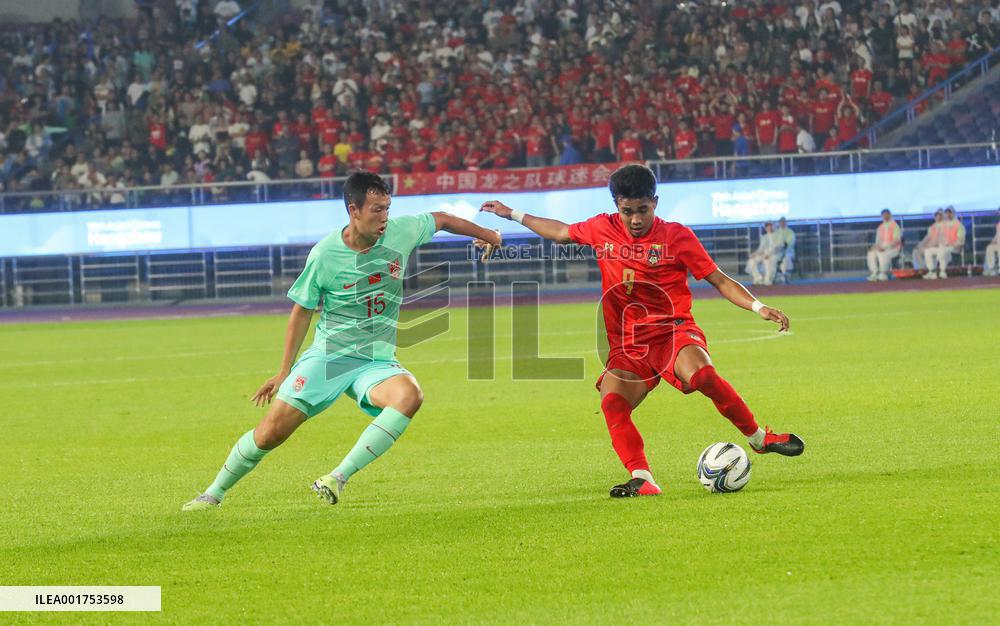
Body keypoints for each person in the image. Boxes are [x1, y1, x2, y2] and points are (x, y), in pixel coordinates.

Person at [479, 164, 804, 498]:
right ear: (617, 206)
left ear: (656, 202)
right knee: (613, 403)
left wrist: (758, 307)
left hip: (672, 332)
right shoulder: (601, 228)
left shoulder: (677, 236)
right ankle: (642, 477)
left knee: (703, 375)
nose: (635, 219)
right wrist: (511, 214)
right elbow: (559, 231)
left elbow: (718, 279)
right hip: (628, 345)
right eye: (627, 211)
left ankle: (759, 439)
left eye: (643, 210)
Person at [183, 173, 503, 511]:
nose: (385, 218)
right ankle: (212, 494)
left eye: (388, 209)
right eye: (377, 210)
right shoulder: (325, 255)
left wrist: (490, 235)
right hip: (330, 357)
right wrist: (283, 372)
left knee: (409, 395)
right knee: (270, 434)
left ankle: (337, 477)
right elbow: (301, 312)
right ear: (354, 210)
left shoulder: (400, 232)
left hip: (376, 359)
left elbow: (443, 220)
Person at [924, 206, 965, 279]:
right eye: (946, 212)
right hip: (942, 246)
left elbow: (960, 240)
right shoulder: (943, 225)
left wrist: (951, 244)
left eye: (950, 212)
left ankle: (942, 271)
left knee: (942, 250)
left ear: (954, 214)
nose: (948, 214)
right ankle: (932, 271)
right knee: (928, 251)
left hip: (953, 247)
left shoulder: (959, 225)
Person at [745, 221, 786, 286]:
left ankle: (768, 279)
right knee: (752, 260)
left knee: (767, 260)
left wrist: (768, 254)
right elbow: (761, 248)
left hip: (776, 253)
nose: (769, 227)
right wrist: (754, 254)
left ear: (774, 226)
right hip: (764, 253)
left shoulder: (779, 235)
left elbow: (779, 247)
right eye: (767, 226)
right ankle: (758, 278)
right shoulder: (764, 237)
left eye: (770, 226)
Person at [866, 209, 902, 281]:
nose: (885, 216)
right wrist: (875, 247)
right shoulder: (880, 227)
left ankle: (883, 273)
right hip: (882, 247)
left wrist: (885, 247)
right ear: (881, 216)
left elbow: (897, 240)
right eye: (883, 215)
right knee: (871, 253)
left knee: (882, 253)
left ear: (890, 215)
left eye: (886, 214)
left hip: (893, 248)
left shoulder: (895, 226)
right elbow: (878, 241)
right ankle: (875, 273)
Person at [775, 217, 796, 281]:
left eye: (784, 222)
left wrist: (783, 245)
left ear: (786, 223)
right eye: (781, 222)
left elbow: (790, 242)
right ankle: (775, 276)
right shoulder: (776, 232)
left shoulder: (790, 232)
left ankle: (785, 274)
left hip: (788, 250)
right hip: (777, 251)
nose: (782, 223)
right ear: (779, 223)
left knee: (786, 258)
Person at [983, 208, 1000, 277]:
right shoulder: (999, 224)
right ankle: (991, 268)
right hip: (998, 243)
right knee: (989, 247)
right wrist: (993, 241)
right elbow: (997, 234)